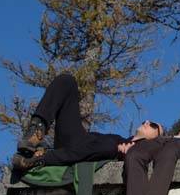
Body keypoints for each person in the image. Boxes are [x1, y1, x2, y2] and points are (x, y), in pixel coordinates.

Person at [12, 73, 162, 171]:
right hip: (76, 140)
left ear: (155, 139)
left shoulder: (144, 150)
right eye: (147, 121)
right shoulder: (119, 140)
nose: (147, 121)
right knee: (67, 81)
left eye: (153, 125)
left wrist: (131, 152)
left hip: (75, 152)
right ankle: (36, 131)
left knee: (110, 147)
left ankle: (40, 158)